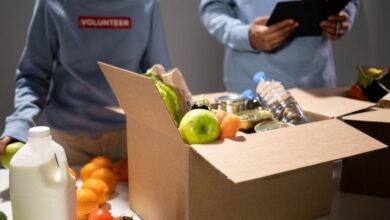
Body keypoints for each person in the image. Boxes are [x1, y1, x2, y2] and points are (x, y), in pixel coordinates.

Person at [0, 0, 171, 165]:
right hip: (67, 142)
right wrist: (20, 122)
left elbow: (160, 77)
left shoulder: (146, 4)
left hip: (127, 139)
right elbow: (34, 74)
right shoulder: (51, 3)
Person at [199, 0, 360, 93]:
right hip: (253, 86)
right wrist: (246, 35)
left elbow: (350, 1)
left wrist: (345, 17)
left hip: (317, 82)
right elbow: (212, 8)